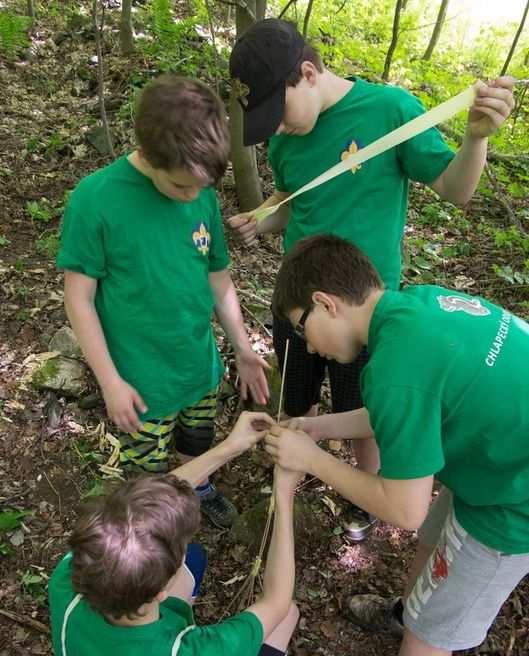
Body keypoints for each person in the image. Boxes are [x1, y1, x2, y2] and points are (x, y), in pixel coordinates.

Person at [228, 18, 515, 541]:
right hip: (299, 300)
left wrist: (476, 140)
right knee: (297, 397)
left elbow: (455, 189)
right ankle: (291, 470)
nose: (277, 128)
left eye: (278, 111)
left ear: (308, 73)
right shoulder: (284, 142)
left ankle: (367, 497)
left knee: (366, 408)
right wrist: (263, 220)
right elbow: (292, 204)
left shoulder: (390, 110)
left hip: (361, 308)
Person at [264, 233, 529, 656]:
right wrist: (318, 429)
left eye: (303, 328)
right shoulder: (414, 306)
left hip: (513, 503)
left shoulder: (393, 370)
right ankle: (409, 612)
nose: (310, 346)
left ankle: (421, 632)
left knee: (431, 639)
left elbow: (404, 510)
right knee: (433, 535)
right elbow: (412, 405)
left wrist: (312, 460)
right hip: (499, 458)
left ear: (327, 303)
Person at [57, 75, 270, 528]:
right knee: (149, 474)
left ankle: (199, 485)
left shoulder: (200, 189)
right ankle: (160, 522)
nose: (193, 197)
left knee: (199, 438)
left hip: (198, 363)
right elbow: (79, 300)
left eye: (202, 187)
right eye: (180, 187)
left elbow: (217, 276)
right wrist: (111, 381)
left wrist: (243, 348)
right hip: (141, 384)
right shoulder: (96, 199)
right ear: (149, 157)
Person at [49, 411, 300, 656]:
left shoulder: (67, 578)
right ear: (160, 593)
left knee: (194, 558)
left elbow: (149, 507)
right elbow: (276, 602)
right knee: (287, 615)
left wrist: (230, 447)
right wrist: (284, 491)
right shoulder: (189, 650)